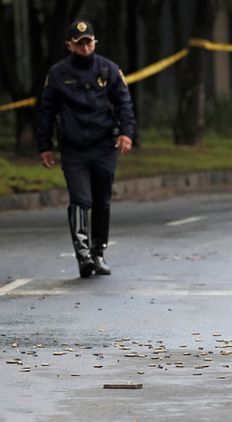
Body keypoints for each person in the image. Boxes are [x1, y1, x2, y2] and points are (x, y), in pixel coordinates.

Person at [36, 20, 135, 278]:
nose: (85, 47)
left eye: (89, 41)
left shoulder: (108, 69)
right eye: (79, 43)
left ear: (95, 42)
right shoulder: (58, 74)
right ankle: (83, 254)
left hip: (103, 146)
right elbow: (46, 112)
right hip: (74, 149)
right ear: (70, 45)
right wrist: (44, 146)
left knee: (102, 201)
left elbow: (124, 103)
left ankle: (98, 251)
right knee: (82, 200)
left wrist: (126, 133)